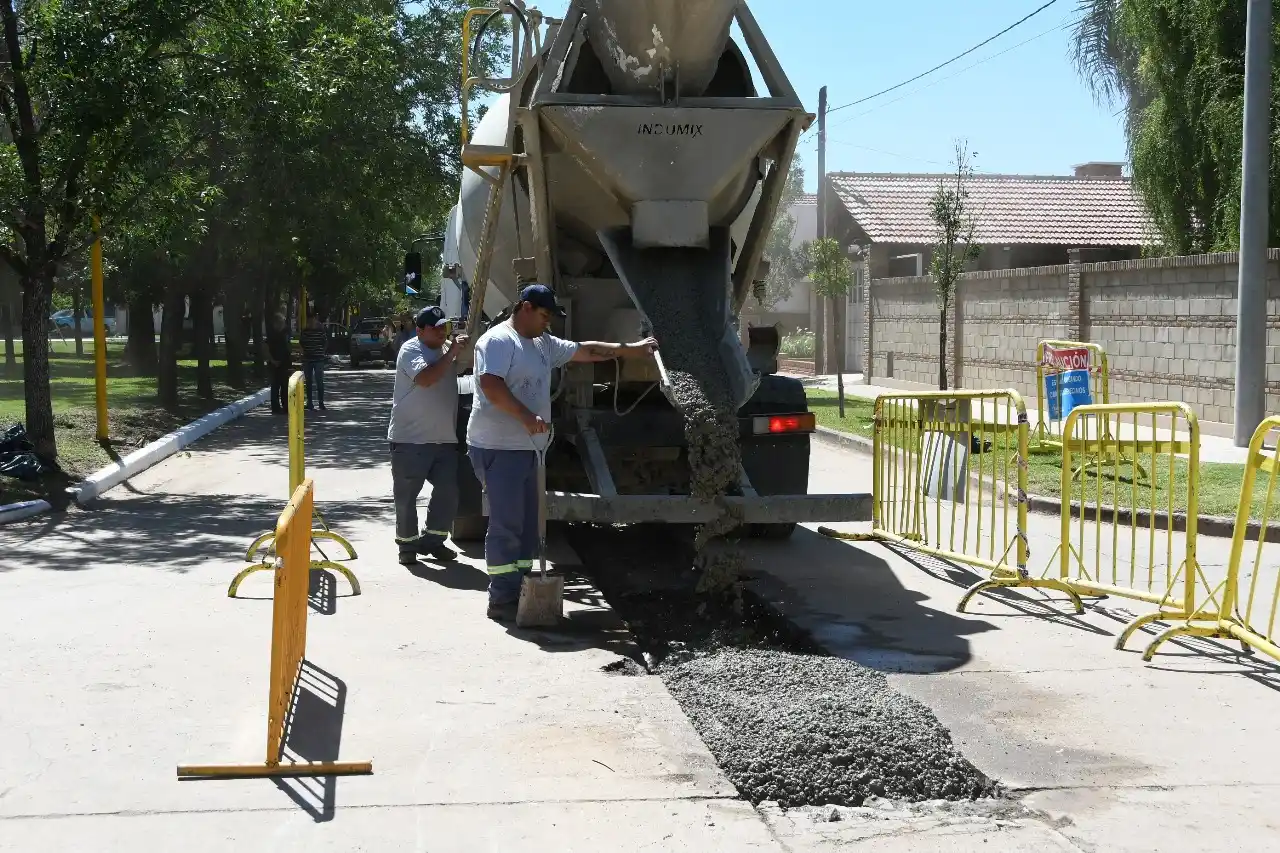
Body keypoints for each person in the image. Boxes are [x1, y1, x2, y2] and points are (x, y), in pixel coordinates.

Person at [468, 284, 657, 621]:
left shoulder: (543, 343)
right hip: (498, 446)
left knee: (527, 525)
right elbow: (491, 386)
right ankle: (501, 599)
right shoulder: (498, 341)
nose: (547, 323)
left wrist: (632, 350)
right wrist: (526, 417)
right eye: (543, 315)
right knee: (507, 523)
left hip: (529, 449)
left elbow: (587, 350)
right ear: (525, 308)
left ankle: (522, 586)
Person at [389, 306, 472, 566]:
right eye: (435, 327)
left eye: (443, 327)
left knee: (448, 492)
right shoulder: (411, 349)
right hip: (410, 439)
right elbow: (426, 378)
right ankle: (407, 546)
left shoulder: (447, 347)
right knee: (407, 497)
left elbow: (466, 367)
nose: (441, 331)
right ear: (420, 330)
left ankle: (433, 540)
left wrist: (462, 348)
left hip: (444, 439)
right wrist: (452, 353)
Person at [299, 315, 328, 411]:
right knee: (308, 382)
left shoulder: (320, 331)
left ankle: (321, 402)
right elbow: (301, 343)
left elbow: (325, 342)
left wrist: (322, 352)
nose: (311, 322)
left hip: (319, 359)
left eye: (313, 320)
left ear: (316, 321)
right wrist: (302, 354)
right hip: (307, 359)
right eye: (309, 321)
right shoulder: (305, 331)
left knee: (319, 381)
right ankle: (310, 402)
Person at [266, 312, 292, 415]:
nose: (281, 324)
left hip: (285, 363)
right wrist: (272, 360)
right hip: (274, 363)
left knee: (285, 386)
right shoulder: (271, 333)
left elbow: (288, 346)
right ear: (275, 323)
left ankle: (286, 407)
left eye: (282, 322)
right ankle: (275, 408)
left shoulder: (286, 331)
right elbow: (266, 348)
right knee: (275, 386)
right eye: (279, 322)